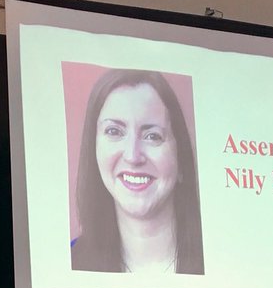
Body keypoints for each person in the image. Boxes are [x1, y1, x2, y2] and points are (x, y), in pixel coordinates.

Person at [71, 69, 204, 274]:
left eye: (153, 136)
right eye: (114, 132)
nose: (133, 156)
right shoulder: (66, 262)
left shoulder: (223, 258)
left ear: (180, 157)